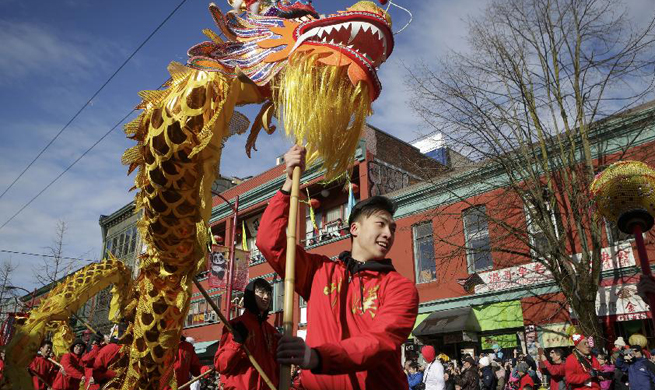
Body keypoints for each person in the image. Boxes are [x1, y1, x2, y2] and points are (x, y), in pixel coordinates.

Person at [256, 145, 419, 390]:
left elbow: (379, 342)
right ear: (354, 229)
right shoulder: (320, 270)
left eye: (392, 229)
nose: (388, 234)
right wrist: (289, 181)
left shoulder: (400, 288)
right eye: (381, 225)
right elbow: (269, 243)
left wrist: (316, 357)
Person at [214, 278, 279, 390]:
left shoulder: (272, 332)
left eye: (269, 293)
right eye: (261, 292)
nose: (266, 297)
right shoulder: (235, 326)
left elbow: (278, 367)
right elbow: (221, 365)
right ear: (250, 294)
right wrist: (235, 343)